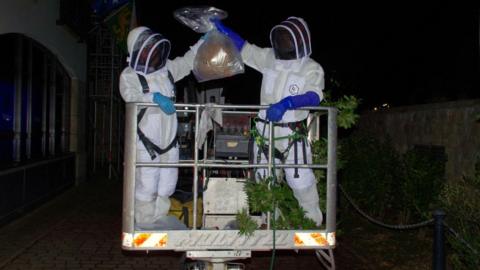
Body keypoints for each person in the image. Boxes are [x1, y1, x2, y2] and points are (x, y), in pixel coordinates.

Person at [214, 17, 324, 226]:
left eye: (287, 40)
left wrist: (288, 103)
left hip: (291, 133)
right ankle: (271, 222)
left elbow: (314, 96)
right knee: (264, 180)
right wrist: (223, 30)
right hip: (265, 133)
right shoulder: (269, 59)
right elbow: (245, 49)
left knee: (300, 180)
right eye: (280, 39)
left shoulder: (311, 68)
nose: (283, 44)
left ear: (300, 41)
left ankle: (312, 222)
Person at [119, 26, 201, 227]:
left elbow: (188, 61)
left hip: (169, 142)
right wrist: (153, 97)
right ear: (136, 51)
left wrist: (204, 41)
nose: (153, 53)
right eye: (147, 49)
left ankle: (159, 219)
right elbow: (130, 96)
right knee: (146, 186)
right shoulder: (129, 75)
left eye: (155, 49)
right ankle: (144, 222)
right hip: (145, 142)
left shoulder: (167, 71)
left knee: (167, 184)